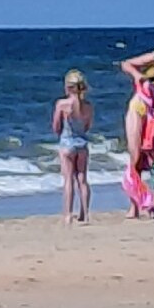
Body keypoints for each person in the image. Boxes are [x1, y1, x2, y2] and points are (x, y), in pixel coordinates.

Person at [120, 50, 154, 217]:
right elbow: (126, 64)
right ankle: (134, 205)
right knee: (136, 157)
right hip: (141, 106)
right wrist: (137, 75)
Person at [52, 69, 94, 225]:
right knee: (82, 179)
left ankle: (68, 214)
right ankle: (85, 213)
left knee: (68, 179)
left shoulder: (62, 104)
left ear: (68, 87)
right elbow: (88, 126)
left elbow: (56, 126)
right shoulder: (88, 106)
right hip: (82, 143)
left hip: (67, 143)